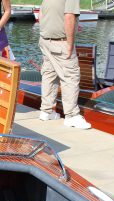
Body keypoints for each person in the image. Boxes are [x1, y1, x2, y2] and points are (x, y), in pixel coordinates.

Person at [38, 0, 91, 129]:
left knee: (49, 74)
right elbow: (69, 16)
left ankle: (46, 111)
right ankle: (72, 115)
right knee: (70, 76)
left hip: (45, 40)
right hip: (61, 43)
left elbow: (41, 14)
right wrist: (70, 44)